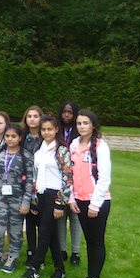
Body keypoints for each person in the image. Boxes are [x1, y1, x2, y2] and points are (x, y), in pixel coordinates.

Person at [22, 114, 72, 278]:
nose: (46, 132)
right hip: (41, 195)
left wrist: (60, 203)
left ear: (56, 129)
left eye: (50, 129)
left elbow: (67, 178)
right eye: (43, 129)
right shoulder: (39, 149)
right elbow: (36, 176)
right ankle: (60, 269)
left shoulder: (61, 150)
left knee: (44, 231)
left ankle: (35, 267)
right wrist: (34, 199)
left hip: (54, 196)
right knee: (50, 235)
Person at [70, 110, 111, 278]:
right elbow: (69, 174)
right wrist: (72, 198)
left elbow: (104, 178)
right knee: (89, 240)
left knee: (96, 241)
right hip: (79, 200)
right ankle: (90, 276)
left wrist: (95, 204)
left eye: (85, 123)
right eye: (79, 123)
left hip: (97, 202)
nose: (82, 126)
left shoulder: (101, 146)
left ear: (93, 125)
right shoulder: (73, 144)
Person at [0, 124, 34, 274]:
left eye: (13, 136)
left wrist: (26, 201)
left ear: (20, 138)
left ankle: (12, 258)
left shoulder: (26, 156)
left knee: (15, 231)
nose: (10, 139)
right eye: (7, 136)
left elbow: (29, 181)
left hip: (17, 199)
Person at [57, 101, 82, 265]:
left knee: (75, 219)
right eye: (64, 112)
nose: (66, 115)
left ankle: (75, 251)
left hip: (77, 182)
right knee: (60, 218)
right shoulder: (56, 130)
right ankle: (62, 250)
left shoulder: (78, 134)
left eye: (70, 112)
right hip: (59, 181)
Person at [21, 104, 43, 267]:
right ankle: (30, 252)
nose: (32, 119)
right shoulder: (22, 138)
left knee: (42, 222)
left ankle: (41, 254)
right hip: (27, 183)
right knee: (29, 221)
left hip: (42, 183)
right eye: (29, 116)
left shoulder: (46, 137)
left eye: (35, 116)